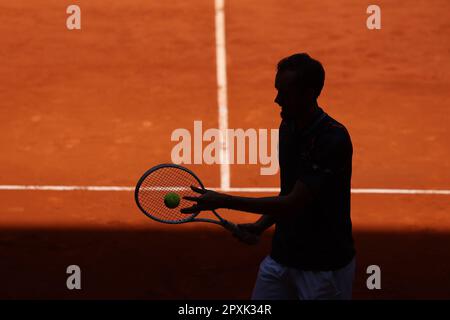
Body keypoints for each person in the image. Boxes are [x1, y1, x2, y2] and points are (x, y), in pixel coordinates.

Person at [181, 53, 356, 300]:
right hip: (282, 258)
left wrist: (223, 201)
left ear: (309, 94)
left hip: (323, 267)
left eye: (285, 93)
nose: (277, 99)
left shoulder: (332, 139)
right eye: (277, 90)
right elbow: (288, 193)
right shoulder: (288, 128)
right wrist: (260, 225)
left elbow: (294, 202)